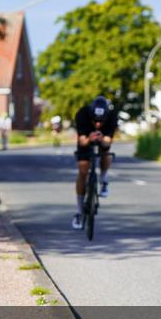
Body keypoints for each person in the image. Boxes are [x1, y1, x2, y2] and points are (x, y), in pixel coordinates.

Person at [72, 96, 118, 230]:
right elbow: (81, 141)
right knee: (83, 171)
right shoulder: (82, 114)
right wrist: (89, 138)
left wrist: (102, 138)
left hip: (103, 138)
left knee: (106, 154)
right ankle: (79, 212)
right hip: (86, 137)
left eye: (101, 121)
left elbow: (108, 142)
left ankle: (103, 179)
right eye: (95, 121)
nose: (98, 124)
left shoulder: (112, 117)